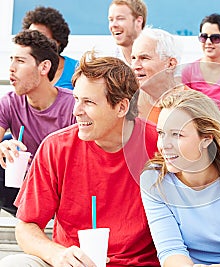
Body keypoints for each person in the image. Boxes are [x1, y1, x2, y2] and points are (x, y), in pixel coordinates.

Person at [0, 51, 160, 267]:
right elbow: (26, 226)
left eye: (88, 102)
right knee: (15, 263)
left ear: (121, 107)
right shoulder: (56, 147)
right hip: (72, 263)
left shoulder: (160, 144)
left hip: (141, 263)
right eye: (76, 99)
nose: (76, 111)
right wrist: (57, 255)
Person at [140, 89, 220, 267]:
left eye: (177, 134)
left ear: (207, 139)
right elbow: (170, 251)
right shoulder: (154, 181)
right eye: (161, 133)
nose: (164, 145)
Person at [0, 29, 75, 216]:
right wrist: (3, 147)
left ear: (44, 68)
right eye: (11, 59)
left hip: (66, 189)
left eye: (20, 61)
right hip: (26, 187)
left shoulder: (74, 105)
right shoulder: (9, 102)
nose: (11, 68)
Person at [181, 13, 220, 140]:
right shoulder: (188, 71)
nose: (208, 42)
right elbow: (185, 110)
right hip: (197, 139)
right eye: (204, 37)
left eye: (215, 38)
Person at [131, 27, 184, 124]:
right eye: (133, 58)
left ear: (170, 64)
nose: (135, 66)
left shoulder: (193, 106)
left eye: (144, 58)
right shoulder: (127, 101)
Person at [22, 6, 79, 90]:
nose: (33, 42)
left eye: (40, 37)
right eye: (30, 36)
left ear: (58, 41)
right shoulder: (24, 69)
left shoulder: (78, 70)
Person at [108, 0, 147, 65]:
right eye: (111, 20)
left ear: (139, 21)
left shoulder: (159, 54)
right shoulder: (107, 60)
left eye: (120, 18)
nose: (113, 25)